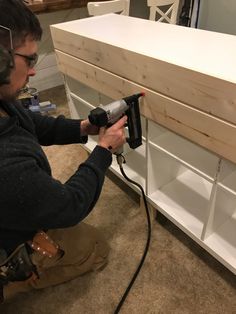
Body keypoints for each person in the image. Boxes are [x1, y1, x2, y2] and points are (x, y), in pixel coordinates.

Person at [0, 0, 127, 303]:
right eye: (29, 60)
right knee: (95, 248)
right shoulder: (6, 166)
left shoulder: (3, 100)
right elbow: (69, 206)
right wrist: (104, 150)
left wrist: (82, 128)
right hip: (8, 237)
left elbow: (29, 121)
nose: (33, 71)